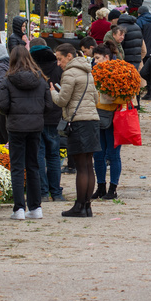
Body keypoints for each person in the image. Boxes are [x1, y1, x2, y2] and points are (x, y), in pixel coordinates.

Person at [0, 46, 53, 220]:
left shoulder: (8, 80)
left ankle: (19, 208)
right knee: (34, 165)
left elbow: (2, 105)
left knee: (17, 167)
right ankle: (36, 207)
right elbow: (49, 105)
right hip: (35, 127)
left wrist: (11, 114)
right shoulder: (41, 79)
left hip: (16, 127)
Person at [50, 43, 100, 216]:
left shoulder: (70, 73)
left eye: (59, 59)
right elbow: (95, 97)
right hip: (92, 120)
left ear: (69, 56)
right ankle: (87, 206)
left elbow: (62, 100)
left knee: (80, 167)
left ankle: (79, 206)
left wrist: (52, 92)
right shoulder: (88, 71)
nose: (58, 63)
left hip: (78, 121)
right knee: (88, 165)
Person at [29, 44, 66, 202]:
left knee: (39, 155)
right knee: (54, 156)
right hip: (54, 117)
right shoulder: (59, 70)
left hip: (37, 117)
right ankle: (56, 192)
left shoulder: (33, 73)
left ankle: (42, 192)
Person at [90, 48, 125, 201]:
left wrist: (110, 96)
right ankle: (101, 186)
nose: (95, 61)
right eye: (94, 58)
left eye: (97, 58)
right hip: (97, 116)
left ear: (106, 57)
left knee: (113, 154)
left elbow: (125, 97)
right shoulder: (93, 73)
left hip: (114, 118)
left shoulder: (119, 72)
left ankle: (113, 188)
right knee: (98, 155)